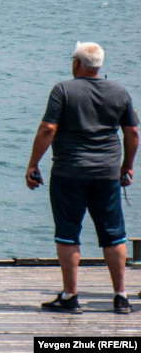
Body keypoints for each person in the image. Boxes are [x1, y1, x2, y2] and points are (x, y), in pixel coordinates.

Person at [25, 42, 136, 315]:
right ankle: (120, 296)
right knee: (113, 235)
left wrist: (32, 164)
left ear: (77, 63)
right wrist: (127, 166)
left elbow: (48, 128)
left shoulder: (63, 89)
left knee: (68, 234)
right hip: (107, 173)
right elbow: (132, 133)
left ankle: (70, 296)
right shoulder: (119, 91)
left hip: (69, 172)